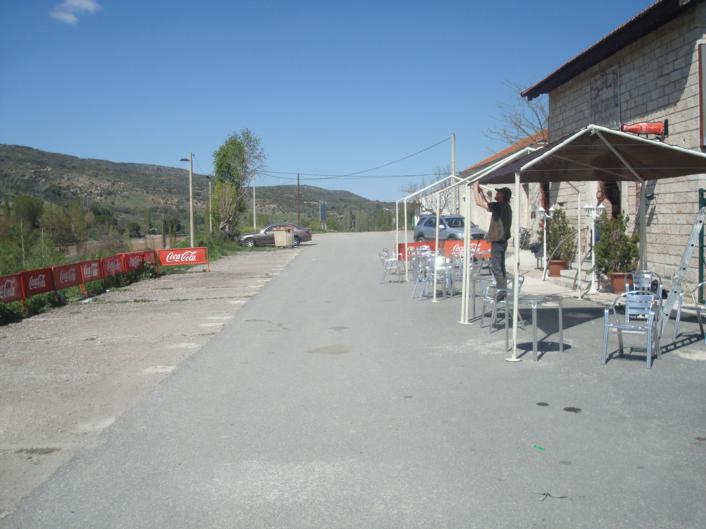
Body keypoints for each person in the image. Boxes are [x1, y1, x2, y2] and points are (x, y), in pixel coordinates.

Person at [474, 182, 512, 290]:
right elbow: (487, 206)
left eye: (498, 192)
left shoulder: (499, 206)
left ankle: (501, 291)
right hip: (502, 241)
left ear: (502, 195)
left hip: (498, 241)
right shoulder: (504, 206)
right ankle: (502, 289)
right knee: (500, 266)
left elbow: (478, 203)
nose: (496, 193)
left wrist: (474, 189)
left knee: (496, 267)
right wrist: (480, 192)